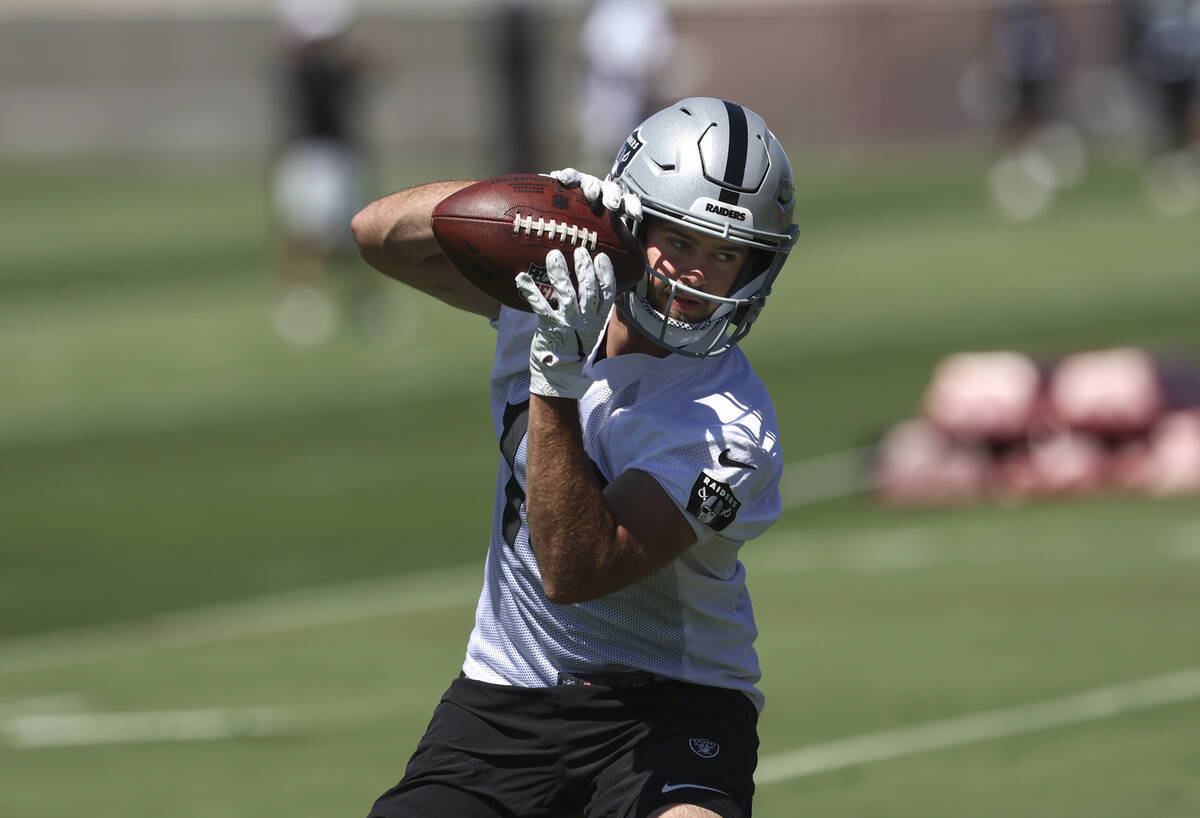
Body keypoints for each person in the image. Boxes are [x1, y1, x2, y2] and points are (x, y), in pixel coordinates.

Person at [351, 97, 798, 818]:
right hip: (505, 695)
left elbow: (575, 569)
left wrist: (555, 376)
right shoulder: (544, 287)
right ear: (633, 218)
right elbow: (376, 234)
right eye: (680, 239)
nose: (694, 278)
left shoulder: (735, 428)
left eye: (725, 254)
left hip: (671, 701)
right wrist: (532, 205)